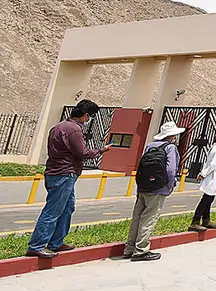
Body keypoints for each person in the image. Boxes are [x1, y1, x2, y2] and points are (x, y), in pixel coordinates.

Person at [25, 100, 110, 259]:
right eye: (89, 117)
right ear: (85, 116)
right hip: (64, 174)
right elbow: (82, 153)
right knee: (53, 210)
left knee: (67, 208)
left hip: (57, 172)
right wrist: (101, 150)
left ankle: (56, 242)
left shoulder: (58, 127)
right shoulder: (74, 130)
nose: (88, 120)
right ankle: (36, 245)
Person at [123, 122, 183, 261]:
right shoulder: (171, 148)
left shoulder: (150, 146)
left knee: (137, 218)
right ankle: (141, 250)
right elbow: (170, 169)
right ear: (172, 136)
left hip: (143, 186)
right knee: (149, 218)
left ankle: (129, 248)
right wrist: (169, 185)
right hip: (158, 188)